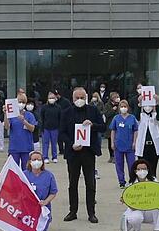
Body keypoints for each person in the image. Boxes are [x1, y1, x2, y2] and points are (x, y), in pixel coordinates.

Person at [59, 87, 106, 223]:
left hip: (88, 152)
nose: (79, 100)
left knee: (90, 183)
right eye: (77, 98)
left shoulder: (93, 110)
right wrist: (71, 143)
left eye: (82, 97)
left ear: (86, 97)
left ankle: (91, 213)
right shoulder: (66, 112)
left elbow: (103, 126)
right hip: (73, 152)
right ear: (72, 99)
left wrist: (93, 125)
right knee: (72, 183)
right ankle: (72, 211)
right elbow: (62, 133)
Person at [121, 159, 159, 231]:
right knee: (135, 218)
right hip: (137, 209)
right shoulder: (131, 184)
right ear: (135, 171)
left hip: (150, 211)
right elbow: (129, 201)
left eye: (144, 169)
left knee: (157, 207)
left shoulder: (154, 181)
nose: (142, 171)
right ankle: (136, 229)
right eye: (139, 169)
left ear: (148, 170)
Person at [15, 151, 57, 231]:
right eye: (34, 159)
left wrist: (46, 201)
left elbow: (53, 192)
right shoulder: (23, 174)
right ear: (30, 162)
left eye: (39, 159)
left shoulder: (49, 176)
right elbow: (14, 188)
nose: (36, 161)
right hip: (27, 209)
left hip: (42, 209)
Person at [109, 100, 138, 188]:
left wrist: (134, 142)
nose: (123, 108)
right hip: (118, 144)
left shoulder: (132, 118)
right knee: (119, 164)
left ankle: (132, 180)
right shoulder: (116, 118)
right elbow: (113, 131)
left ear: (128, 107)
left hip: (129, 145)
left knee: (131, 164)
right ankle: (121, 181)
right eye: (121, 107)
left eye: (125, 106)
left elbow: (135, 130)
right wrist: (112, 143)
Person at [6, 93, 38, 168]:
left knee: (26, 169)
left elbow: (32, 129)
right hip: (14, 147)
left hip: (26, 147)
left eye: (23, 102)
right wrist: (5, 114)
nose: (21, 104)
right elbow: (7, 127)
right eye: (19, 102)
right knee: (14, 169)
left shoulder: (29, 115)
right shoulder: (12, 115)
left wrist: (24, 121)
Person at [135, 99, 159, 179]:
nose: (148, 108)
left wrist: (157, 104)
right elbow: (136, 116)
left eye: (150, 106)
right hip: (143, 146)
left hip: (153, 146)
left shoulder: (154, 116)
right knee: (142, 166)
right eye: (146, 106)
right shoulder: (141, 116)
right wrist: (139, 104)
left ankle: (153, 179)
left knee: (153, 166)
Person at [40, 91, 62, 163]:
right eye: (50, 98)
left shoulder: (58, 107)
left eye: (53, 98)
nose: (51, 99)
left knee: (54, 143)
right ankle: (45, 157)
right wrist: (42, 128)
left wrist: (59, 127)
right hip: (46, 128)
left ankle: (54, 157)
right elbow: (42, 118)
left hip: (55, 128)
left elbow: (60, 118)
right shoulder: (44, 107)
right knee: (45, 143)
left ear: (55, 98)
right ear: (47, 98)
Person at [103, 92, 121, 163]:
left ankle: (116, 156)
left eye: (117, 97)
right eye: (115, 97)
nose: (116, 98)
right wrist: (112, 110)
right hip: (110, 125)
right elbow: (106, 114)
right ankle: (111, 156)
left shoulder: (120, 105)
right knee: (110, 141)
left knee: (117, 141)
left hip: (118, 126)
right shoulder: (107, 105)